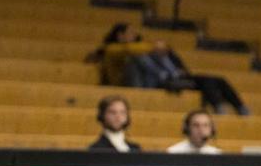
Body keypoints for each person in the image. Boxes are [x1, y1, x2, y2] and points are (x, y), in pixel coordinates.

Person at [90, 23, 249, 115]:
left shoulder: (139, 48)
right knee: (139, 56)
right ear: (120, 35)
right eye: (130, 33)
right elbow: (130, 50)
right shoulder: (112, 49)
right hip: (132, 83)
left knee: (214, 80)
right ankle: (169, 76)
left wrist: (162, 48)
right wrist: (155, 46)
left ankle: (237, 106)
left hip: (158, 78)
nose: (134, 35)